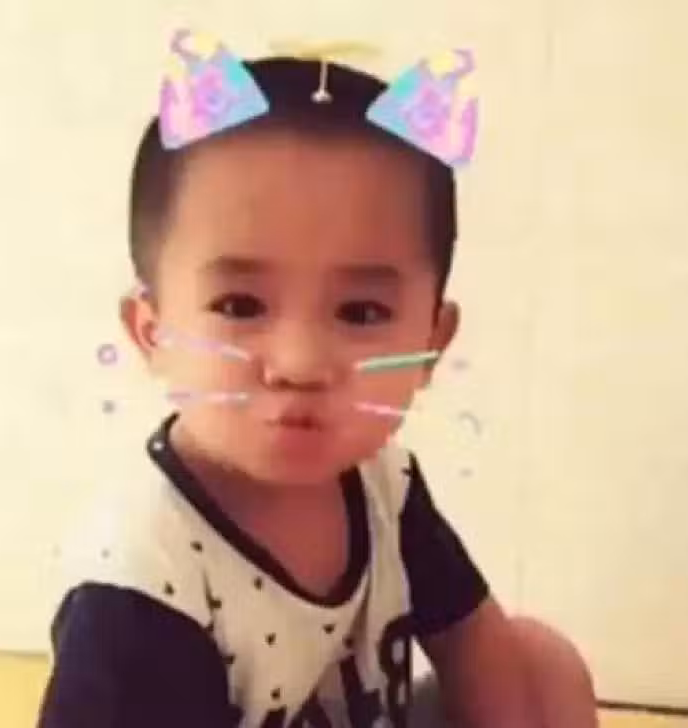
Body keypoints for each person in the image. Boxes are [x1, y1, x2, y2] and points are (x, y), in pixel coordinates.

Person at [37, 39, 597, 728]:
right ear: (152, 333)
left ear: (431, 343)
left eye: (360, 313)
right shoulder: (142, 588)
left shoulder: (385, 484)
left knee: (540, 664)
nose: (300, 363)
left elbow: (474, 644)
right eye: (240, 305)